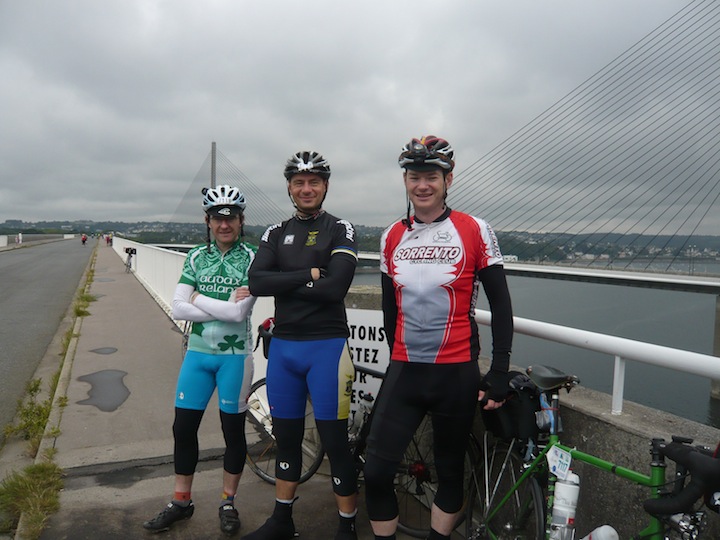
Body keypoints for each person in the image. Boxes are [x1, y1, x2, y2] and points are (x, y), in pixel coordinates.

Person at [364, 136, 514, 540]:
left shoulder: (474, 229)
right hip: (405, 371)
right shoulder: (391, 235)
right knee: (376, 471)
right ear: (406, 181)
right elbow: (389, 307)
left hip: (455, 372)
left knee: (449, 474)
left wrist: (499, 371)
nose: (422, 185)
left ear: (449, 180)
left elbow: (500, 305)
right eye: (414, 177)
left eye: (432, 176)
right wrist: (398, 352)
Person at [244, 151, 359, 540]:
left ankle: (346, 526)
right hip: (285, 349)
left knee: (335, 443)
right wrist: (311, 273)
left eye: (314, 182)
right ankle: (282, 520)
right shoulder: (275, 232)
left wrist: (285, 279)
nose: (306, 188)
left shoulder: (340, 228)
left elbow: (335, 288)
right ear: (290, 188)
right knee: (287, 440)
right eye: (298, 182)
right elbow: (256, 282)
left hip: (326, 347)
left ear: (325, 186)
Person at [143, 185, 257, 536]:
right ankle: (181, 502)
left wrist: (198, 297)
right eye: (218, 218)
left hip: (235, 358)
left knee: (233, 433)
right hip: (197, 355)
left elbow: (239, 315)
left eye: (231, 218)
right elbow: (179, 308)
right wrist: (216, 305)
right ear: (207, 221)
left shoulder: (254, 257)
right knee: (183, 429)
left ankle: (228, 502)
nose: (225, 224)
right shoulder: (195, 256)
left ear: (241, 221)